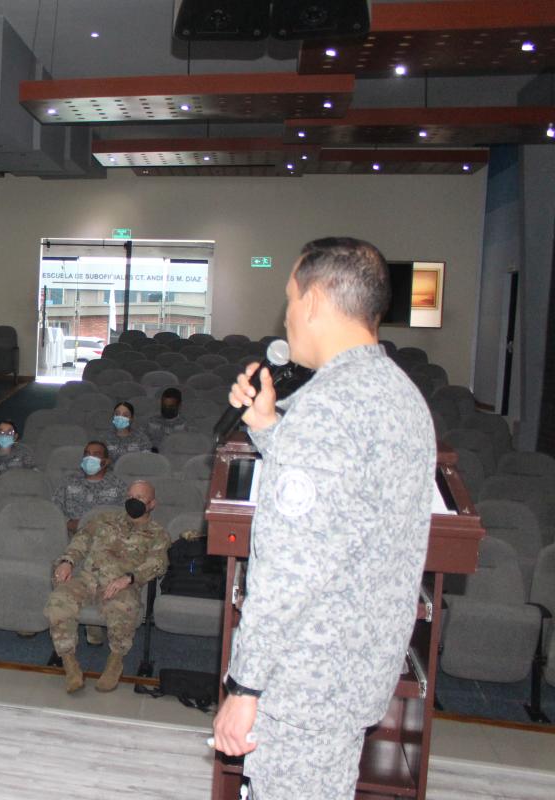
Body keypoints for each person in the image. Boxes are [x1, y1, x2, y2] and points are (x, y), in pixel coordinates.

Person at [211, 237, 437, 800]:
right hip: (354, 673)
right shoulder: (398, 394)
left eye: (289, 297)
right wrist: (268, 427)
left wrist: (245, 686)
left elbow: (292, 570)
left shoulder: (326, 410)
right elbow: (345, 513)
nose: (285, 314)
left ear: (312, 301)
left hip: (304, 683)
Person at [45, 480, 170, 693]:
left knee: (123, 608)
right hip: (88, 578)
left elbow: (159, 563)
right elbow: (80, 541)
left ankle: (115, 662)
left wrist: (129, 578)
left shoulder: (157, 533)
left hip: (120, 585)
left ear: (152, 504)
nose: (133, 501)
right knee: (58, 601)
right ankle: (70, 663)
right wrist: (68, 561)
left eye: (140, 498)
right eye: (130, 496)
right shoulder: (104, 519)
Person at [51, 441, 129, 535]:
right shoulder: (68, 482)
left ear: (106, 461)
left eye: (96, 455)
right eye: (87, 454)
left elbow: (126, 514)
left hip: (107, 537)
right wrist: (68, 523)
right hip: (71, 536)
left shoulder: (118, 484)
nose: (89, 458)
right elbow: (54, 509)